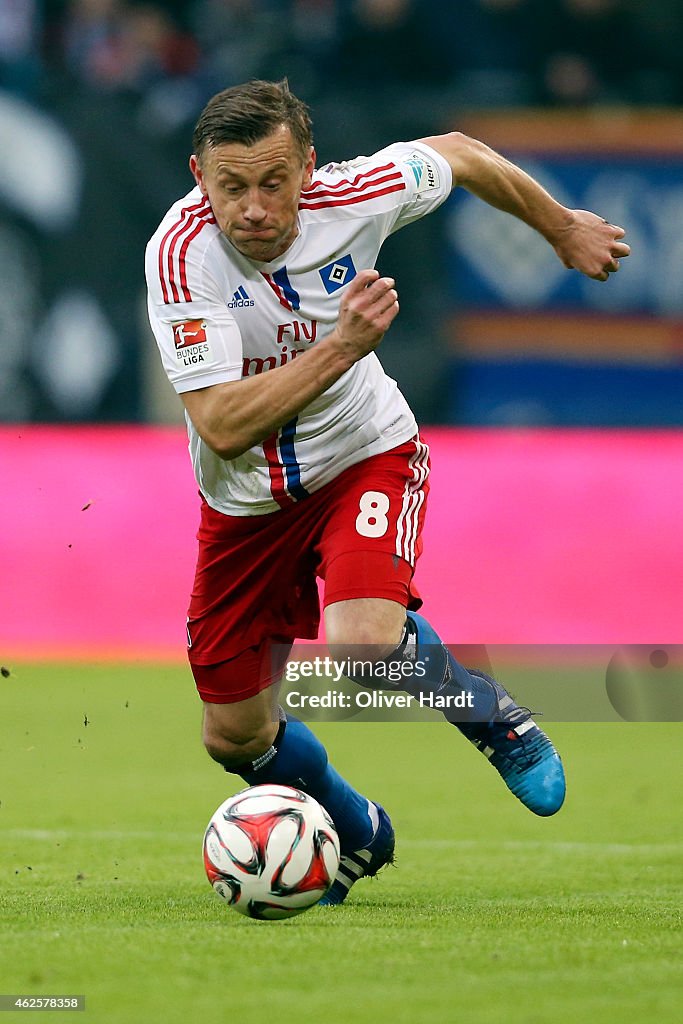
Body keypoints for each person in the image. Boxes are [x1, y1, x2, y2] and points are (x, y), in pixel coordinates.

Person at [145, 79, 629, 905]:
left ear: (308, 168)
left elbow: (464, 153)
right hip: (244, 500)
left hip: (363, 452)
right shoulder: (180, 253)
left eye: (273, 182)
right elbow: (223, 425)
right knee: (234, 737)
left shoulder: (360, 193)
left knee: (362, 646)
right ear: (200, 174)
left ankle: (492, 719)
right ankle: (355, 825)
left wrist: (560, 228)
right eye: (230, 187)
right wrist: (345, 345)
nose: (253, 208)